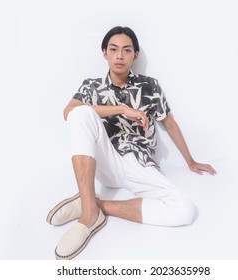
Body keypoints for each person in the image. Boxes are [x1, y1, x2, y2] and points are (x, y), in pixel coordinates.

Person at [46, 26, 217, 260]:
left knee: (185, 211)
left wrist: (190, 161)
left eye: (126, 50)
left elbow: (169, 123)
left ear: (135, 55)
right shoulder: (91, 85)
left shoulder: (150, 86)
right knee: (80, 114)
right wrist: (122, 109)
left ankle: (94, 205)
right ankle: (88, 217)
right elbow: (69, 112)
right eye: (113, 49)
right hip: (107, 161)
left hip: (141, 165)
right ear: (104, 53)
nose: (119, 56)